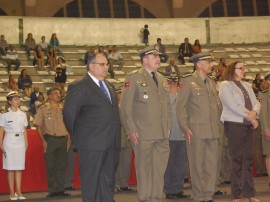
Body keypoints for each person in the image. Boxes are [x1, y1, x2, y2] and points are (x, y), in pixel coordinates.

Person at [63, 53, 121, 202]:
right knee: (91, 184)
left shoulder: (109, 86)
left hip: (111, 143)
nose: (106, 68)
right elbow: (69, 115)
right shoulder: (79, 86)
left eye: (107, 65)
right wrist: (83, 138)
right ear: (92, 66)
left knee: (108, 182)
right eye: (103, 64)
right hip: (91, 145)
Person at [120, 45, 171, 202]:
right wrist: (131, 130)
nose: (158, 59)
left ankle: (155, 197)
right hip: (143, 132)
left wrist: (168, 127)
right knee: (144, 168)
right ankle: (145, 198)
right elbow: (125, 108)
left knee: (159, 169)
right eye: (154, 56)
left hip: (162, 133)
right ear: (145, 59)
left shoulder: (162, 79)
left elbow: (167, 106)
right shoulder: (134, 78)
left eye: (158, 57)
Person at [176, 51, 222, 202]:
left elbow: (217, 107)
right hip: (195, 130)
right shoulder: (188, 81)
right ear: (198, 64)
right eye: (208, 62)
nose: (211, 65)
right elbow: (180, 107)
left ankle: (208, 194)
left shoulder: (212, 82)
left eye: (211, 62)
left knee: (211, 165)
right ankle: (199, 195)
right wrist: (185, 128)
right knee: (196, 165)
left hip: (212, 130)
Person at [219, 61, 261, 202]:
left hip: (248, 125)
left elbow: (257, 102)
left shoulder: (247, 85)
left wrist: (254, 113)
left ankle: (249, 193)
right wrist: (251, 117)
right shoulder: (225, 85)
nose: (244, 70)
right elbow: (232, 105)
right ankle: (237, 195)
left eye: (244, 68)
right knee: (237, 159)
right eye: (241, 68)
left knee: (248, 160)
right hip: (235, 125)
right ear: (232, 70)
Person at [33, 87, 71, 198]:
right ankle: (52, 190)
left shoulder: (63, 109)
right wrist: (43, 141)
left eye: (59, 93)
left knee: (62, 165)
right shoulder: (43, 109)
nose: (58, 95)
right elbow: (38, 125)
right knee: (51, 166)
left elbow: (68, 124)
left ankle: (60, 189)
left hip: (63, 139)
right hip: (50, 139)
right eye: (55, 93)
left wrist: (69, 138)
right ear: (49, 96)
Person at [163, 73, 190, 199]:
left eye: (174, 82)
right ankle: (169, 190)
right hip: (169, 135)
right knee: (169, 165)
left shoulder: (182, 97)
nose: (173, 85)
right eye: (170, 82)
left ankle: (178, 189)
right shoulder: (163, 98)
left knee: (180, 164)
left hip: (182, 135)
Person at [0, 91, 28, 200]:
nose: (18, 101)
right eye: (15, 99)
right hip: (9, 142)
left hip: (20, 142)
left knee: (19, 168)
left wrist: (26, 143)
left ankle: (19, 192)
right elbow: (1, 130)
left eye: (18, 99)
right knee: (10, 168)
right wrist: (0, 144)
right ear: (9, 101)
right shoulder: (4, 115)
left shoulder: (23, 114)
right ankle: (12, 193)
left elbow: (24, 130)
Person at [114, 87, 132, 192]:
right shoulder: (113, 107)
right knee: (117, 162)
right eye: (118, 93)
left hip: (127, 138)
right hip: (117, 138)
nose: (119, 95)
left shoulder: (127, 106)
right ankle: (116, 184)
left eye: (121, 93)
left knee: (126, 162)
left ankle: (124, 183)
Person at [260, 72, 270, 187]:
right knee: (269, 155)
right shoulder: (264, 95)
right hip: (269, 129)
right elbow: (263, 114)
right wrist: (266, 130)